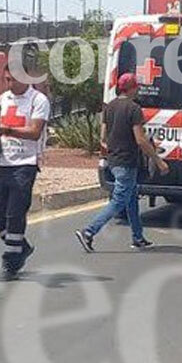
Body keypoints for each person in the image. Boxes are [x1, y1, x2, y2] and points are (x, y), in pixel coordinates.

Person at [75, 73, 168, 253]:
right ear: (132, 88)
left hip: (113, 160)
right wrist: (158, 160)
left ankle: (138, 237)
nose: (138, 89)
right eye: (137, 87)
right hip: (127, 162)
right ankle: (88, 231)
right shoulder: (134, 109)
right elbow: (140, 140)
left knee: (131, 198)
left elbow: (103, 137)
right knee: (119, 201)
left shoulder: (109, 108)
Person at [0, 66, 50, 282]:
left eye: (12, 80)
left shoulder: (38, 100)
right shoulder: (2, 98)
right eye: (6, 79)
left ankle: (11, 262)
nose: (9, 84)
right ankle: (20, 247)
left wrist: (7, 130)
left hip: (25, 164)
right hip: (2, 162)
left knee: (15, 214)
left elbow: (34, 132)